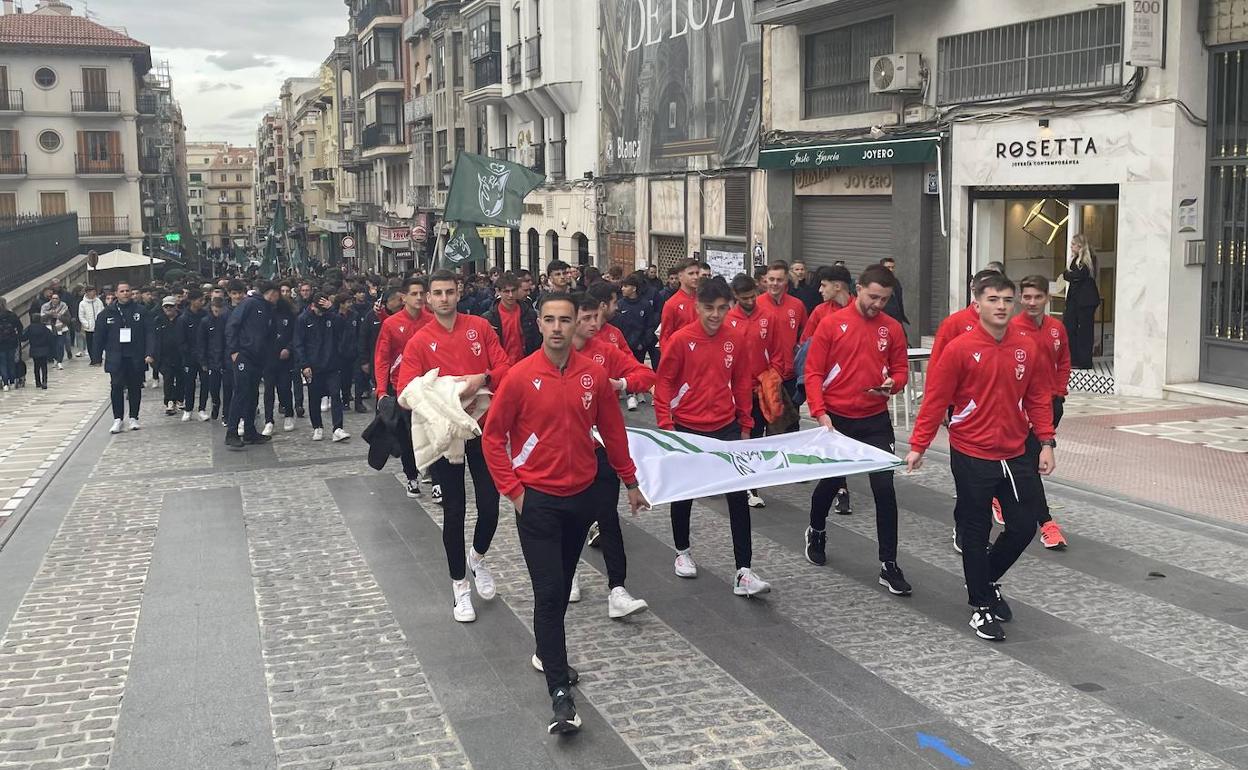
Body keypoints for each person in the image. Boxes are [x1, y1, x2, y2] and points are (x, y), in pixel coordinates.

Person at [482, 291, 646, 735]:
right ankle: (560, 695)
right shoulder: (518, 377)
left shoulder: (593, 375)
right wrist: (514, 492)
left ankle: (548, 653)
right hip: (536, 503)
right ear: (539, 324)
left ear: (577, 324)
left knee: (559, 587)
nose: (557, 328)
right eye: (550, 320)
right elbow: (492, 437)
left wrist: (629, 482)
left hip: (581, 501)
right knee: (551, 593)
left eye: (565, 320)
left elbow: (612, 432)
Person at [907, 272, 1056, 642]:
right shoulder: (960, 348)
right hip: (972, 452)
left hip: (1017, 450)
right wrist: (918, 445)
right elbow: (936, 399)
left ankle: (986, 580)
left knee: (1022, 526)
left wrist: (1047, 442)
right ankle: (981, 606)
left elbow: (1038, 396)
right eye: (993, 300)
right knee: (974, 530)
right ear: (977, 305)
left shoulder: (1026, 346)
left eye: (1007, 300)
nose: (1002, 306)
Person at [395, 270, 511, 622]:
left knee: (491, 505)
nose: (444, 298)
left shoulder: (478, 327)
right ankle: (459, 585)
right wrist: (446, 394)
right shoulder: (418, 341)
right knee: (454, 511)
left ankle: (478, 557)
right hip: (447, 436)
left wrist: (483, 379)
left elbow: (504, 366)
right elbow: (406, 392)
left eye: (449, 292)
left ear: (458, 294)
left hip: (483, 429)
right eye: (437, 293)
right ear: (428, 298)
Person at [654, 277, 771, 597]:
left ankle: (743, 571)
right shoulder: (680, 340)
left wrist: (746, 425)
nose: (715, 315)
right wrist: (666, 424)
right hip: (687, 426)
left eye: (722, 308)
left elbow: (742, 383)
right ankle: (682, 551)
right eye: (709, 308)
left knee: (737, 495)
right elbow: (663, 384)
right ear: (697, 307)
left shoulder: (736, 337)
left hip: (726, 426)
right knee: (684, 491)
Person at [802, 266, 911, 595]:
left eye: (885, 299)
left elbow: (901, 369)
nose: (878, 304)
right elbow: (813, 372)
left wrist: (894, 384)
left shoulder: (891, 328)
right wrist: (819, 413)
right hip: (838, 419)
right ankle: (817, 529)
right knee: (832, 482)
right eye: (873, 296)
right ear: (857, 289)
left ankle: (888, 564)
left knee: (885, 490)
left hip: (875, 419)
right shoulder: (832, 323)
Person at [569, 292, 654, 618]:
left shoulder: (606, 350)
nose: (594, 324)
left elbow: (647, 376)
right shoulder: (555, 353)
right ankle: (571, 572)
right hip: (567, 453)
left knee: (608, 520)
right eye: (586, 318)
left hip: (602, 451)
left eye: (597, 317)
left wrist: (621, 384)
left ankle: (617, 589)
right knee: (572, 519)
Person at [1011, 276, 1072, 550]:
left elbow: (1064, 361)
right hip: (1021, 409)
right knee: (1031, 462)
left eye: (1037, 297)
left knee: (1029, 462)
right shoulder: (1012, 328)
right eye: (1027, 297)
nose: (1032, 302)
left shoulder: (1057, 328)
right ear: (1020, 299)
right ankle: (1046, 523)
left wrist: (1059, 392)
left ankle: (1003, 497)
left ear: (1047, 298)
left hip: (1050, 405)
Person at [725, 274, 779, 509]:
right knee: (737, 436)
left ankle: (752, 486)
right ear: (735, 296)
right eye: (745, 298)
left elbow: (778, 351)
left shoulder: (768, 316)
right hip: (735, 390)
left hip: (761, 388)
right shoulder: (727, 320)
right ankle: (737, 480)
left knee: (756, 436)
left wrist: (772, 377)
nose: (750, 301)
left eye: (753, 296)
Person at [374, 277, 431, 498]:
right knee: (407, 435)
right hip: (402, 389)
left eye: (421, 294)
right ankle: (411, 477)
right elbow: (382, 359)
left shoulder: (432, 320)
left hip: (428, 386)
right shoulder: (390, 324)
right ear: (403, 297)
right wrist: (381, 391)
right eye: (414, 294)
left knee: (432, 431)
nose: (418, 298)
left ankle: (435, 479)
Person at [92, 282, 155, 434]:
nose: (125, 293)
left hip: (135, 355)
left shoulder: (141, 311)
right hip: (116, 356)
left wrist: (150, 352)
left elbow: (150, 333)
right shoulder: (107, 313)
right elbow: (99, 336)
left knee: (135, 387)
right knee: (116, 387)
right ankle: (117, 418)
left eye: (128, 291)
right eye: (122, 291)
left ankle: (134, 417)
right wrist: (97, 356)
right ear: (116, 293)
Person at [224, 281, 278, 450]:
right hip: (243, 355)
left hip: (258, 357)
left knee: (253, 393)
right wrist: (234, 351)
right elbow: (233, 326)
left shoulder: (269, 309)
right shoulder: (250, 303)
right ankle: (232, 432)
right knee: (241, 392)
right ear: (271, 293)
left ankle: (250, 430)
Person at [294, 293, 350, 442]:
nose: (321, 312)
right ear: (312, 305)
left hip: (332, 363)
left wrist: (332, 310)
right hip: (313, 365)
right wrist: (304, 364)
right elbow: (299, 343)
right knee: (314, 397)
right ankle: (317, 426)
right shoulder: (303, 319)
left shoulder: (330, 316)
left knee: (335, 394)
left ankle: (337, 428)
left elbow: (343, 326)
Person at [760, 260, 808, 405]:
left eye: (779, 280)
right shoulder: (756, 305)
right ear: (765, 280)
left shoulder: (797, 305)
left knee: (789, 425)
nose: (775, 283)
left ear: (786, 280)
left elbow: (805, 335)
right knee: (759, 424)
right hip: (763, 376)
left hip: (789, 376)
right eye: (771, 279)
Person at [483, 272, 540, 365]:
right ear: (499, 291)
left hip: (526, 365)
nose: (510, 295)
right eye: (506, 291)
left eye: (513, 290)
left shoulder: (530, 314)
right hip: (500, 366)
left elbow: (536, 342)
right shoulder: (488, 318)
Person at [1062, 234, 1100, 369]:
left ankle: (1084, 361)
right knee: (1069, 327)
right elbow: (1066, 275)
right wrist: (1071, 276)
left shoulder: (1089, 259)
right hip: (1074, 299)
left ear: (1080, 245)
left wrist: (1071, 275)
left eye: (1073, 244)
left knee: (1085, 330)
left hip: (1086, 300)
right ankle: (1073, 359)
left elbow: (1078, 275)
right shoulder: (1074, 260)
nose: (1071, 247)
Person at [262, 294, 297, 435]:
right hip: (268, 358)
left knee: (285, 387)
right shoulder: (265, 314)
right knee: (268, 390)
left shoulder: (289, 315)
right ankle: (268, 420)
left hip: (285, 359)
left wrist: (289, 348)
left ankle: (289, 414)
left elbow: (295, 334)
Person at [800, 265, 854, 346]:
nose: (820, 290)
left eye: (824, 285)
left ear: (837, 286)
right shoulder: (819, 311)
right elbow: (805, 344)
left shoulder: (860, 309)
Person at [176, 290, 208, 422]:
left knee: (205, 384)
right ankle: (188, 409)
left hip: (205, 356)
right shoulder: (183, 318)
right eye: (200, 300)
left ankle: (202, 408)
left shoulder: (205, 315)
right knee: (189, 384)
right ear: (192, 301)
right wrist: (189, 353)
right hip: (189, 357)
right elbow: (180, 340)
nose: (202, 303)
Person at [657, 257, 701, 348]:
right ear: (680, 276)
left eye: (697, 273)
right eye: (691, 273)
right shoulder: (671, 304)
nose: (696, 277)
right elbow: (665, 338)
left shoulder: (704, 300)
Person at [333, 292, 366, 413]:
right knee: (345, 378)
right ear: (341, 304)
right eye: (347, 302)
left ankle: (359, 402)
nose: (350, 305)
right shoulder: (335, 316)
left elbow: (359, 332)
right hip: (341, 353)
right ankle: (345, 399)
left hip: (354, 350)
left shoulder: (355, 315)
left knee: (358, 378)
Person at [196, 298, 228, 421]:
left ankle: (226, 412)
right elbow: (201, 342)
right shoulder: (205, 322)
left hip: (224, 358)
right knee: (213, 387)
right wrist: (203, 361)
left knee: (227, 387)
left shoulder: (226, 320)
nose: (217, 312)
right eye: (215, 310)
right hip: (211, 358)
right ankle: (215, 403)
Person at [154, 297, 183, 415]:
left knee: (181, 378)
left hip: (180, 354)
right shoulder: (158, 320)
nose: (168, 309)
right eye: (166, 306)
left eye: (170, 306)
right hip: (164, 355)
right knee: (168, 378)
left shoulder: (182, 319)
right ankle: (169, 401)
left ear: (175, 306)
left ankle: (179, 398)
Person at [23, 314, 56, 390]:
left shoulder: (30, 328)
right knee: (44, 366)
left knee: (36, 367)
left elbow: (24, 337)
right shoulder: (44, 328)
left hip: (34, 349)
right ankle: (44, 381)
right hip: (44, 350)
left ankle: (38, 382)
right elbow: (50, 338)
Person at [40, 292, 71, 369]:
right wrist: (49, 314)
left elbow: (68, 319)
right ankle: (55, 359)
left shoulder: (64, 307)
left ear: (59, 299)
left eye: (56, 298)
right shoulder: (45, 307)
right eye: (53, 298)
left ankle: (60, 361)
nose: (54, 300)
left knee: (60, 345)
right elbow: (42, 319)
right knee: (53, 346)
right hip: (50, 329)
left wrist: (59, 316)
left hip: (61, 329)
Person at [880, 257, 911, 329]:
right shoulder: (878, 283)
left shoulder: (896, 282)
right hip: (884, 319)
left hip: (897, 318)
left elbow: (899, 300)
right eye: (888, 267)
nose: (891, 270)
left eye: (892, 267)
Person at [78, 287, 104, 366]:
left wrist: (100, 322)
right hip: (89, 328)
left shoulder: (98, 301)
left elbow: (102, 311)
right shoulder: (82, 303)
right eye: (91, 291)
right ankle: (93, 359)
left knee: (98, 343)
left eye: (94, 291)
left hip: (98, 327)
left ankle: (98, 359)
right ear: (87, 292)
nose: (93, 293)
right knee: (90, 344)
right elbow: (81, 315)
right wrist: (87, 324)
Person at [0, 298, 22, 390]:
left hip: (1, 343)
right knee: (11, 362)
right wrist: (17, 336)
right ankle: (12, 381)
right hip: (11, 342)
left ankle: (5, 383)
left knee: (2, 363)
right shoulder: (11, 315)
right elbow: (20, 326)